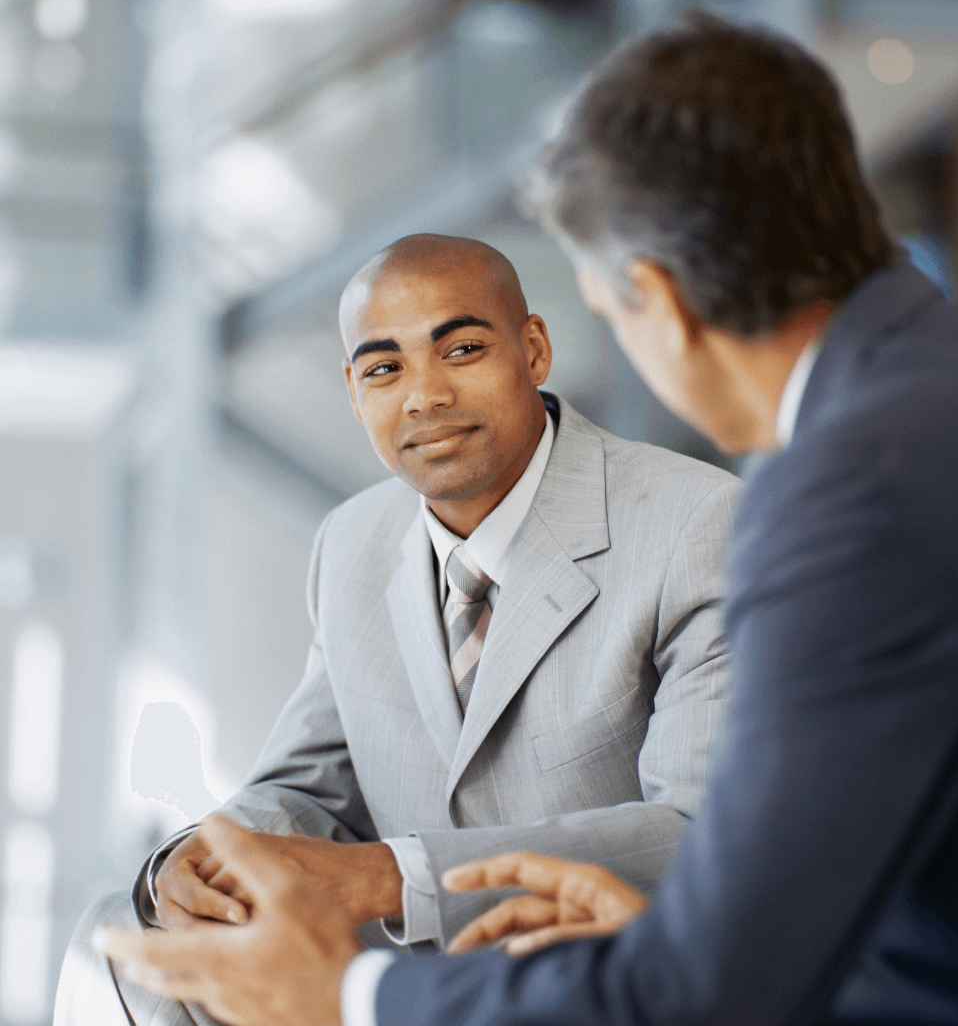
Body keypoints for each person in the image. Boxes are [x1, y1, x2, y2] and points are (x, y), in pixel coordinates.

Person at [100, 13, 958, 1026]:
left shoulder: (845, 493)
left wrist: (353, 991)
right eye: (384, 367)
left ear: (651, 301)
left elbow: (708, 988)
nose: (425, 395)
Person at [58, 232, 742, 1022]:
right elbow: (307, 785)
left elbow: (699, 832)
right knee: (117, 941)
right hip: (409, 988)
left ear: (534, 348)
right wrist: (198, 865)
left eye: (460, 349)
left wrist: (392, 876)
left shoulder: (697, 524)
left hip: (603, 987)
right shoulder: (352, 542)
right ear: (354, 393)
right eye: (385, 368)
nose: (424, 396)